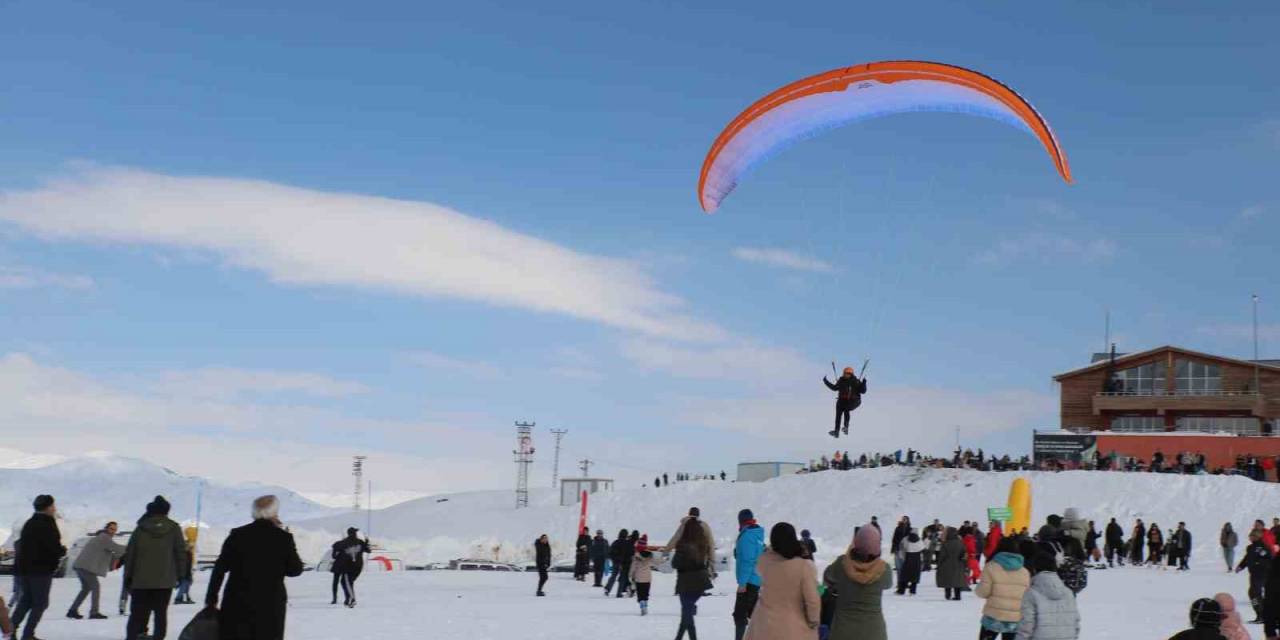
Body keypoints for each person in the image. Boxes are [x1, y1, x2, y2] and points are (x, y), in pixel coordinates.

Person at [205, 495, 305, 640]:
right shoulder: (283, 538)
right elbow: (295, 570)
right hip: (270, 605)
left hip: (236, 602)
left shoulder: (237, 535)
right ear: (274, 512)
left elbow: (219, 569)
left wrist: (211, 599)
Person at [743, 523, 820, 640]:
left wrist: (771, 548)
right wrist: (814, 621)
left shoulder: (764, 561)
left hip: (763, 625)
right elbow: (812, 600)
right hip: (793, 627)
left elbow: (764, 558)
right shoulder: (804, 567)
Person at [124, 495, 185, 640]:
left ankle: (133, 636)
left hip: (140, 581)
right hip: (165, 581)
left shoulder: (140, 528)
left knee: (137, 614)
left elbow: (131, 554)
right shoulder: (174, 529)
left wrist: (128, 577)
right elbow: (180, 553)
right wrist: (182, 575)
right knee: (160, 614)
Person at [10, 495, 65, 640]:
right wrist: (61, 551)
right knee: (40, 603)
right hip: (40, 570)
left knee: (26, 600)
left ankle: (11, 630)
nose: (54, 508)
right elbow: (51, 546)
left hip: (24, 569)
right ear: (47, 507)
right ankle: (28, 634)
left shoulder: (30, 522)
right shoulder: (47, 523)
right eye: (53, 506)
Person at [823, 524, 892, 640]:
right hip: (873, 631)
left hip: (842, 630)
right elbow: (888, 584)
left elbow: (827, 577)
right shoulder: (884, 569)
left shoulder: (841, 564)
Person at [68, 521, 126, 619]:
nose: (113, 531)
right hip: (86, 567)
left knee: (86, 589)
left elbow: (112, 553)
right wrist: (131, 547)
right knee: (95, 587)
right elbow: (117, 549)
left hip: (81, 566)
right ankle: (94, 612)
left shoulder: (101, 538)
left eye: (115, 530)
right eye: (111, 529)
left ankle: (72, 610)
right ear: (106, 528)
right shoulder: (104, 537)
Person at [975, 539, 1030, 640]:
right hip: (1014, 618)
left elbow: (983, 592)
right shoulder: (1024, 571)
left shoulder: (991, 567)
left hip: (993, 617)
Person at [1016, 554, 1080, 640]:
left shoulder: (1031, 594)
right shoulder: (1068, 593)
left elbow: (1026, 625)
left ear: (1035, 569)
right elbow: (1076, 622)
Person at [672, 518, 713, 640]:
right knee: (687, 614)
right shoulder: (703, 544)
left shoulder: (683, 545)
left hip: (686, 583)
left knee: (686, 614)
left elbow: (675, 563)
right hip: (701, 583)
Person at [733, 509, 764, 640]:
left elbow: (747, 561)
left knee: (739, 615)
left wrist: (742, 583)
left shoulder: (747, 536)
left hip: (749, 581)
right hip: (756, 579)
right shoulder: (756, 534)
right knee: (754, 614)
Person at [1235, 529, 1272, 623]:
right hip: (1254, 574)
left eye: (1252, 536)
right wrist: (1241, 566)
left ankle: (1262, 615)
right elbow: (1247, 558)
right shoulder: (1251, 547)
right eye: (1250, 536)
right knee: (1254, 594)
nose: (1250, 537)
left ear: (1257, 536)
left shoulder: (1262, 547)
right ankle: (1262, 614)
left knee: (1255, 594)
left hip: (1261, 573)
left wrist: (1258, 563)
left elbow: (1269, 559)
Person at [330, 527, 370, 607]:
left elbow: (334, 553)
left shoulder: (342, 543)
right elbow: (368, 550)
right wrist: (366, 543)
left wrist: (337, 553)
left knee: (344, 582)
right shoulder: (360, 542)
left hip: (347, 567)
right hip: (358, 567)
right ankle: (348, 599)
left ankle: (350, 599)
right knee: (347, 582)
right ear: (355, 533)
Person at [823, 366, 867, 438]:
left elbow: (863, 391)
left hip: (854, 401)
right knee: (838, 414)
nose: (845, 375)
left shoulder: (855, 381)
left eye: (846, 373)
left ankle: (846, 427)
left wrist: (864, 382)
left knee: (847, 409)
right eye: (844, 373)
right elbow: (834, 388)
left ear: (850, 374)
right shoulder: (841, 381)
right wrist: (826, 381)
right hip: (842, 400)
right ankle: (836, 432)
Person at [937, 526, 969, 601]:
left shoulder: (945, 543)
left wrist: (939, 564)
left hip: (946, 564)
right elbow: (964, 553)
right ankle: (957, 595)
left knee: (947, 580)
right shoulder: (960, 543)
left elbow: (942, 555)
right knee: (957, 580)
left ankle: (948, 595)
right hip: (958, 564)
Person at [630, 536, 656, 616]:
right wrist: (664, 560)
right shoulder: (650, 555)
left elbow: (633, 567)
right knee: (646, 593)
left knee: (640, 594)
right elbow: (656, 562)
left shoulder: (636, 556)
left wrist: (630, 575)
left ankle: (642, 606)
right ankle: (645, 605)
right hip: (647, 578)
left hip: (639, 578)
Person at [895, 529, 924, 595]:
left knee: (904, 575)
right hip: (917, 558)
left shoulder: (905, 539)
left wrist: (902, 557)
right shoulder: (919, 540)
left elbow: (901, 548)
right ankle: (913, 590)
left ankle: (901, 590)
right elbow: (922, 548)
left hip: (908, 557)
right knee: (915, 575)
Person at [603, 529, 629, 596]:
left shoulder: (616, 542)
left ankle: (607, 588)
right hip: (623, 563)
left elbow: (610, 552)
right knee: (622, 578)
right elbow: (628, 554)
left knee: (613, 576)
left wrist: (614, 559)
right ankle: (619, 593)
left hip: (615, 562)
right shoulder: (626, 543)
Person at [174, 536, 196, 605]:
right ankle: (178, 598)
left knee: (187, 586)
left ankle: (186, 598)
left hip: (187, 572)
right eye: (189, 545)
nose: (190, 546)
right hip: (184, 573)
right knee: (183, 586)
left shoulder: (189, 554)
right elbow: (182, 564)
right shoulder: (184, 554)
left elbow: (189, 564)